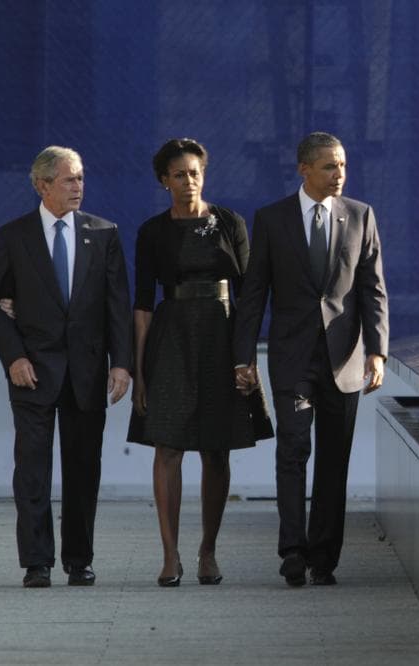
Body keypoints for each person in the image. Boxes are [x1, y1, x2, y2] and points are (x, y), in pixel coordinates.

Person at [234, 131, 389, 586]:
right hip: (292, 358)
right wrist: (242, 357)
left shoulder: (361, 215)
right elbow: (255, 293)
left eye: (342, 165)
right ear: (304, 169)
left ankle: (325, 558)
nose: (339, 174)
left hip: (344, 360)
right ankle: (293, 552)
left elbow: (372, 289)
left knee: (333, 459)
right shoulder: (272, 219)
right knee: (293, 449)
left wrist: (377, 351)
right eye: (329, 166)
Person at [0, 146, 132, 588]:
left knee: (83, 469)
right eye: (68, 179)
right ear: (42, 185)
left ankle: (78, 559)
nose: (78, 187)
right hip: (32, 372)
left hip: (87, 373)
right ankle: (37, 562)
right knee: (32, 470)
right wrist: (14, 357)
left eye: (81, 178)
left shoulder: (103, 233)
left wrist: (122, 364)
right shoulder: (13, 236)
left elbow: (117, 307)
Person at [127, 138, 266, 587]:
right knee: (167, 446)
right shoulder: (152, 231)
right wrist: (140, 367)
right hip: (171, 339)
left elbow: (249, 298)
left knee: (216, 447)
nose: (189, 181)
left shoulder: (228, 222)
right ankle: (170, 556)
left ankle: (208, 551)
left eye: (196, 172)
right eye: (180, 174)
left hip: (222, 340)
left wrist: (247, 360)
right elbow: (143, 304)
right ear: (164, 181)